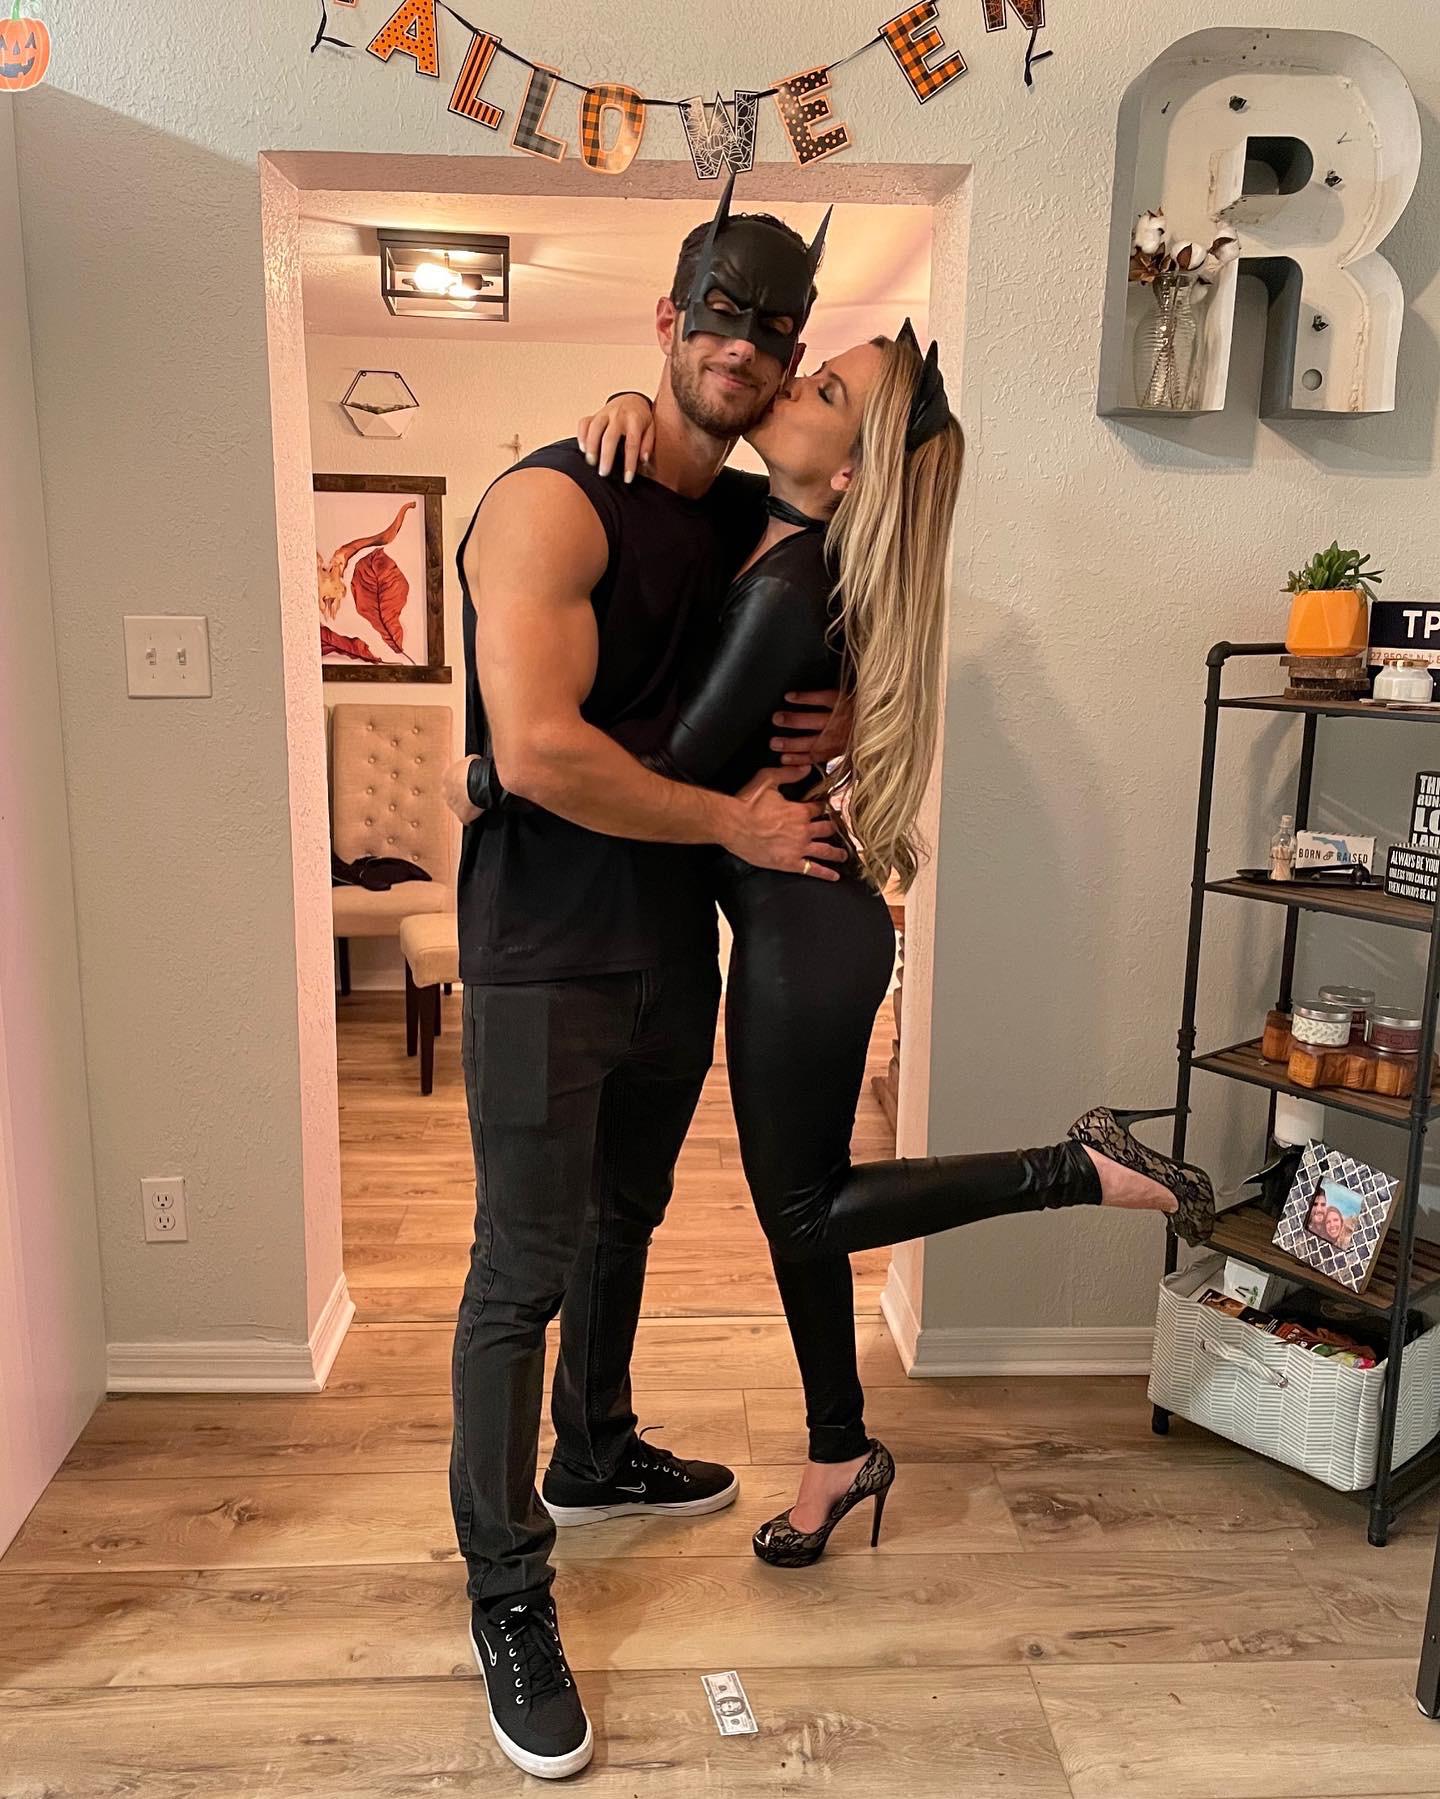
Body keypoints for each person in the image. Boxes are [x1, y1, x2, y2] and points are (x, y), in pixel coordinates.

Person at [461, 325, 1217, 1575]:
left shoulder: (784, 583)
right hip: (797, 919)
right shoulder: (759, 537)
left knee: (804, 1207)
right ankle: (836, 1452)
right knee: (799, 1211)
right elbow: (684, 512)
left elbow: (674, 762)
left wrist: (496, 772)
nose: (785, 384)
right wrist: (628, 400)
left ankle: (1074, 1167)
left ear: (851, 470)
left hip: (800, 929)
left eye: (821, 390)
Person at [446, 178, 853, 1782]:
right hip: (542, 948)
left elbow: (828, 621)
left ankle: (597, 1447)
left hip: (675, 944)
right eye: (720, 314)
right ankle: (508, 1588)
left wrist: (846, 720)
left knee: (626, 1220)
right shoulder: (551, 502)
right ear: (670, 320)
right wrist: (734, 820)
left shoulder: (759, 523)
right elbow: (541, 751)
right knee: (519, 1268)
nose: (744, 346)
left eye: (775, 329)